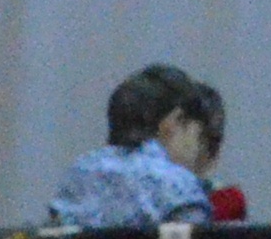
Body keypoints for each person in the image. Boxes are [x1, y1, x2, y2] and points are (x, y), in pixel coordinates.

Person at [43, 65, 226, 229]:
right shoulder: (180, 187)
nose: (199, 148)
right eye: (199, 135)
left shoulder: (78, 174)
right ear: (175, 121)